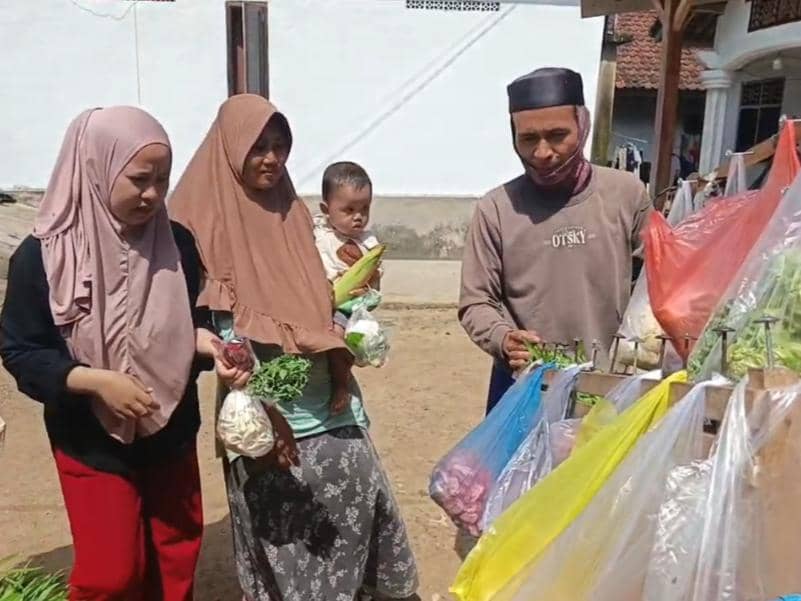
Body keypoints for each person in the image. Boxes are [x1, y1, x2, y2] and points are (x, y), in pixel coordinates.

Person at [169, 94, 418, 601]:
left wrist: (351, 334)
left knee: (357, 522)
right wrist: (264, 407)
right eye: (258, 146)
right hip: (267, 416)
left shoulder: (294, 214)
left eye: (280, 146)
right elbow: (216, 330)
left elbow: (318, 302)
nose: (271, 158)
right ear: (231, 147)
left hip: (333, 409)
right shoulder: (194, 224)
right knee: (289, 550)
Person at [0, 106, 245, 600]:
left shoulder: (175, 243)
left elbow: (184, 325)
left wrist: (209, 347)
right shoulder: (43, 256)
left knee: (175, 556)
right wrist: (95, 381)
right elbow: (21, 350)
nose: (153, 193)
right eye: (139, 179)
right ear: (96, 167)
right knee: (111, 573)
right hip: (90, 435)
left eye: (162, 179)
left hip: (169, 428)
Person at [459, 67, 653, 414]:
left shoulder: (626, 195)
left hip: (611, 386)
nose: (543, 152)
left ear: (583, 126)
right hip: (523, 389)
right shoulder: (496, 209)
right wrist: (504, 339)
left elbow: (657, 285)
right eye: (528, 139)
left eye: (557, 135)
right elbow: (476, 301)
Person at [314, 161, 382, 413]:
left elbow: (375, 277)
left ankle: (341, 385)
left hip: (349, 305)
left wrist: (368, 280)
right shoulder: (319, 234)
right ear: (326, 209)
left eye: (364, 209)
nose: (358, 217)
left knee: (339, 340)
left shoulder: (368, 242)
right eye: (349, 209)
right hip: (319, 298)